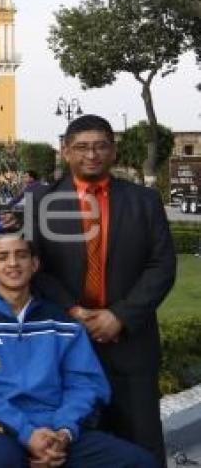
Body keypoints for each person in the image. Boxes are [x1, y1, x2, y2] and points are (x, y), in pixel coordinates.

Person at [29, 115, 176, 464]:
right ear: (65, 151)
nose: (91, 154)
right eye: (81, 147)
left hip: (131, 343)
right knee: (77, 448)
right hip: (70, 344)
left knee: (143, 446)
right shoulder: (42, 203)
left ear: (113, 150)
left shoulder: (144, 201)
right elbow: (37, 270)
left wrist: (120, 316)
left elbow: (162, 265)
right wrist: (75, 312)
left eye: (100, 146)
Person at [0, 230, 156, 468]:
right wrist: (27, 434)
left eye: (21, 255)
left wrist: (64, 432)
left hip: (58, 428)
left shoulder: (63, 324)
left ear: (34, 263)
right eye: (3, 257)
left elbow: (85, 384)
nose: (13, 263)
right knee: (0, 461)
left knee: (139, 462)